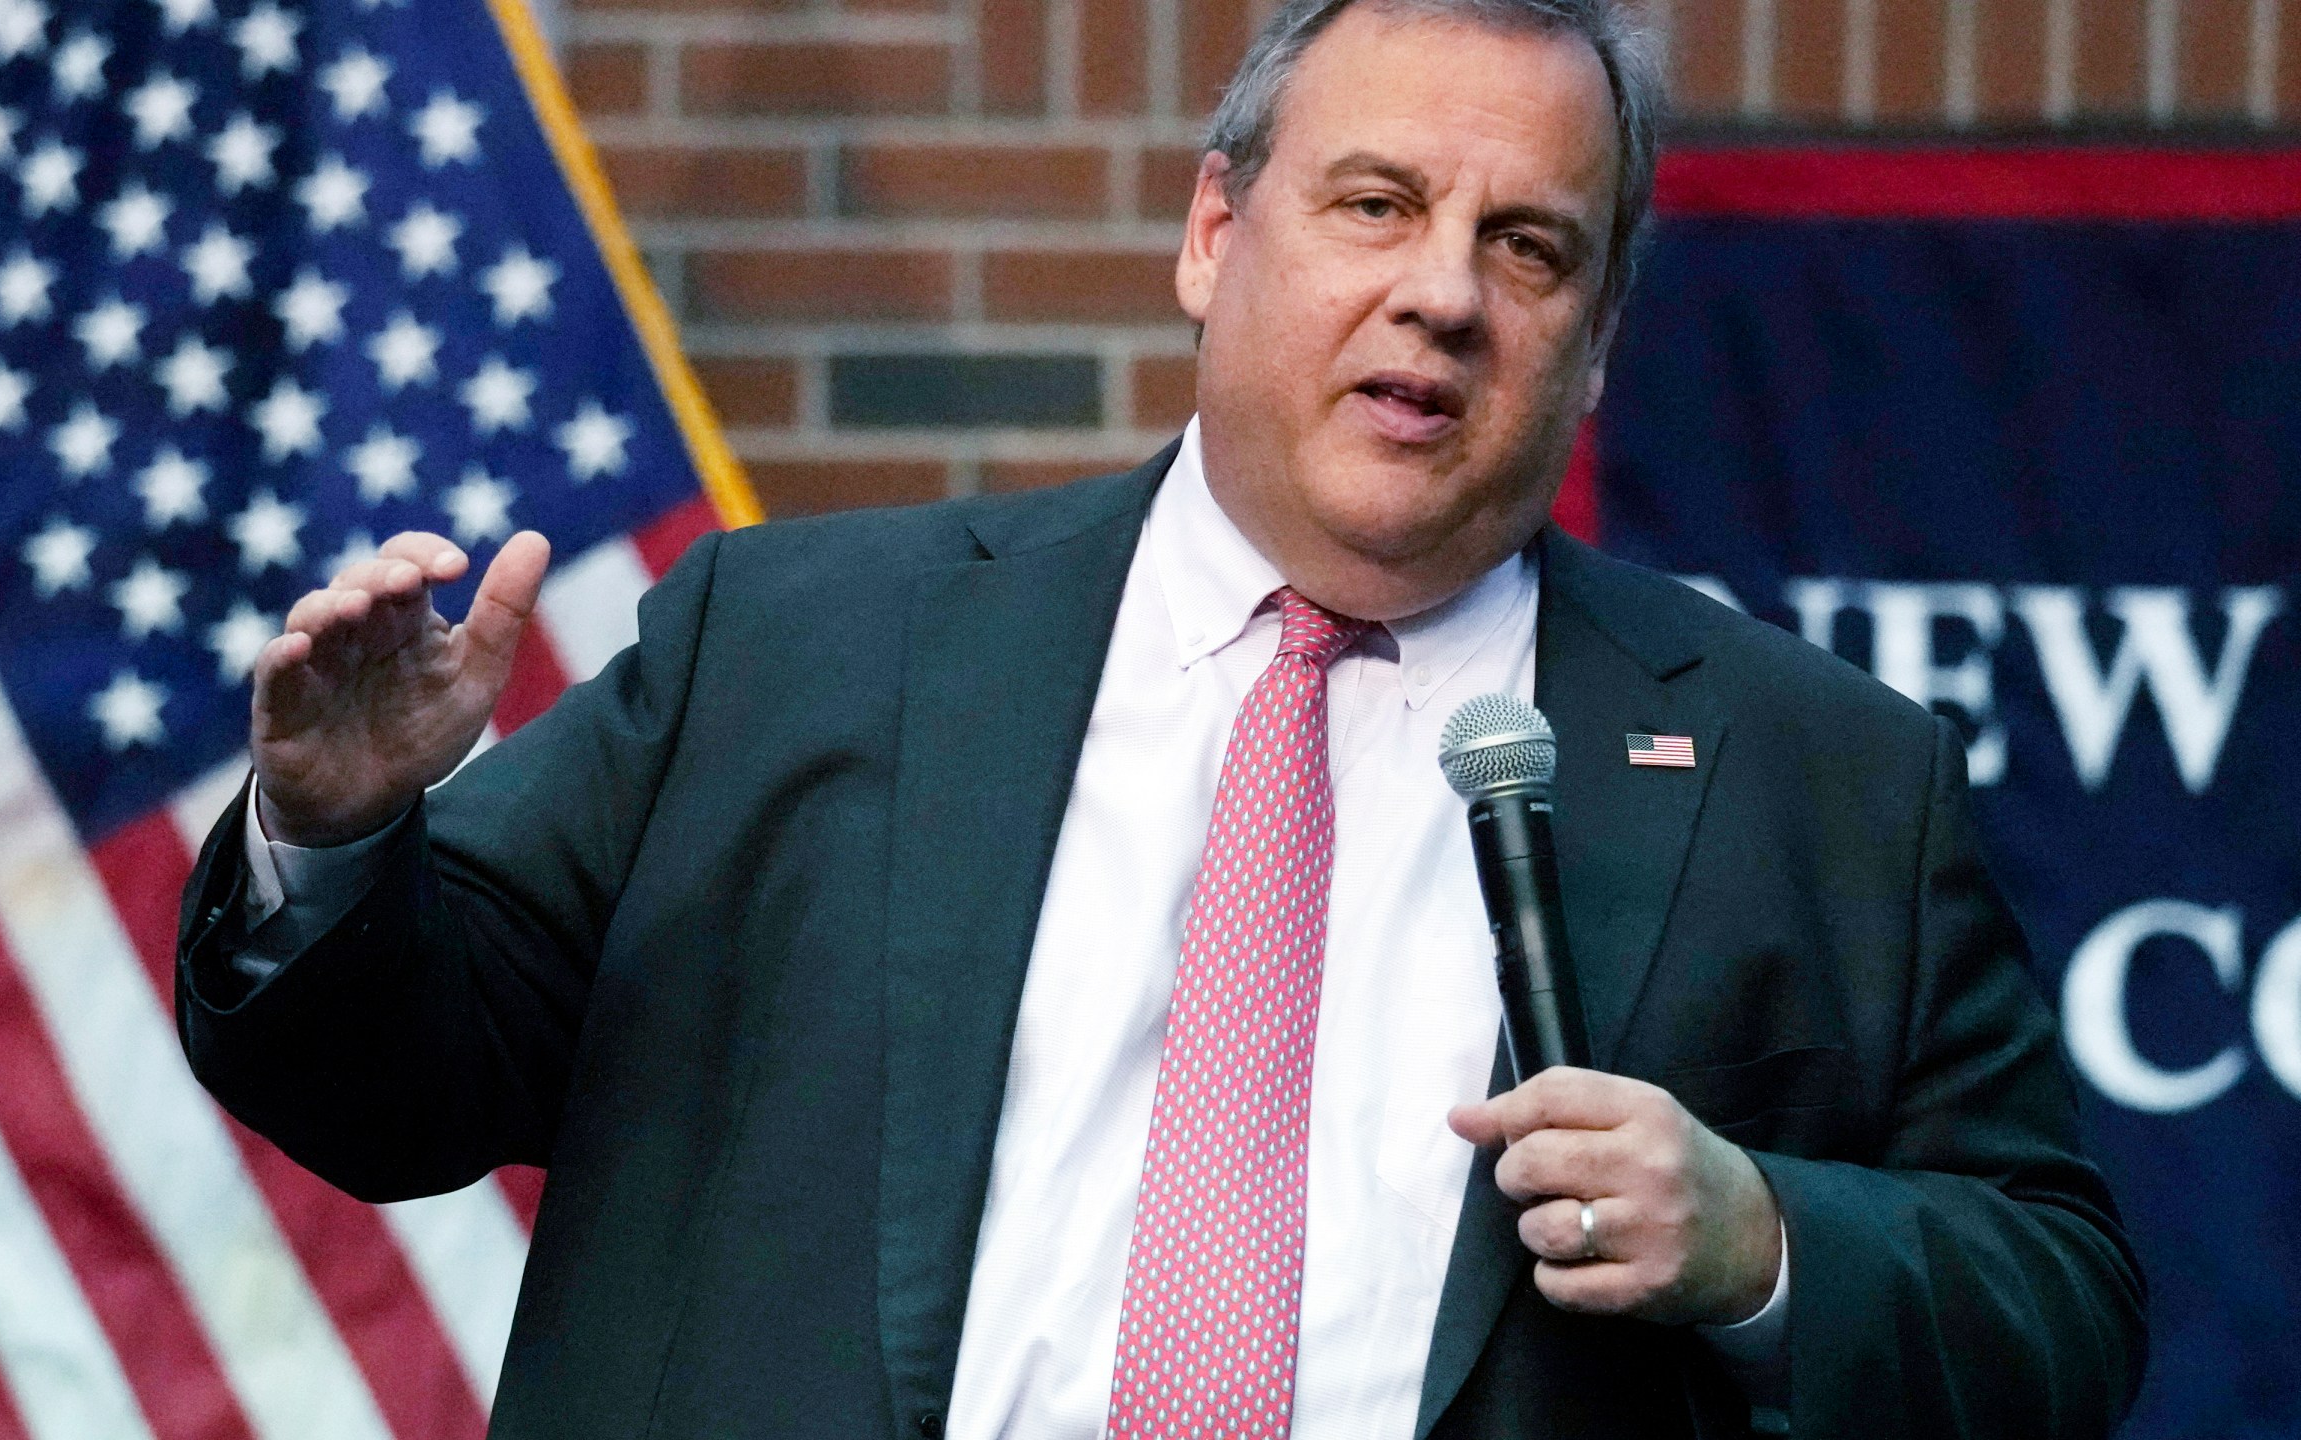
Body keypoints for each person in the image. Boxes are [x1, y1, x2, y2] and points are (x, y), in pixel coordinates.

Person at [176, 0, 2145, 1433]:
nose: (1441, 296)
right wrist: (332, 838)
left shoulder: (1815, 775)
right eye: (1372, 204)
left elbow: (2054, 1303)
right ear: (1216, 235)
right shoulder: (787, 648)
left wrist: (1757, 1241)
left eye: (1525, 246)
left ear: (1596, 335)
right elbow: (391, 1091)